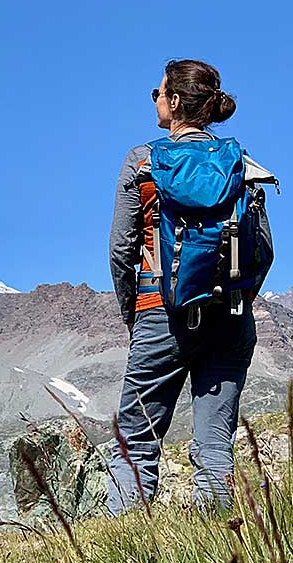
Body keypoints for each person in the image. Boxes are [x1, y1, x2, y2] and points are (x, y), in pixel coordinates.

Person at [107, 59, 275, 514]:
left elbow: (122, 251)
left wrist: (135, 315)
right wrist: (235, 298)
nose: (155, 99)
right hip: (230, 318)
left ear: (176, 101)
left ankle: (119, 560)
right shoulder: (240, 164)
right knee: (215, 446)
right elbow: (263, 250)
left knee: (136, 441)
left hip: (160, 312)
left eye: (158, 92)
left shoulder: (143, 162)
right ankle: (223, 556)